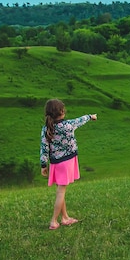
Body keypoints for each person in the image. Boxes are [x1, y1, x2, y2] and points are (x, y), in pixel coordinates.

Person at [40, 99, 97, 230]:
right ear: (61, 112)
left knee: (61, 189)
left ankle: (65, 218)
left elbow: (44, 148)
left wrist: (43, 165)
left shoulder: (46, 128)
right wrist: (91, 116)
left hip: (55, 163)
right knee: (61, 191)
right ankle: (54, 221)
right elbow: (80, 120)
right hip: (66, 162)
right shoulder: (68, 125)